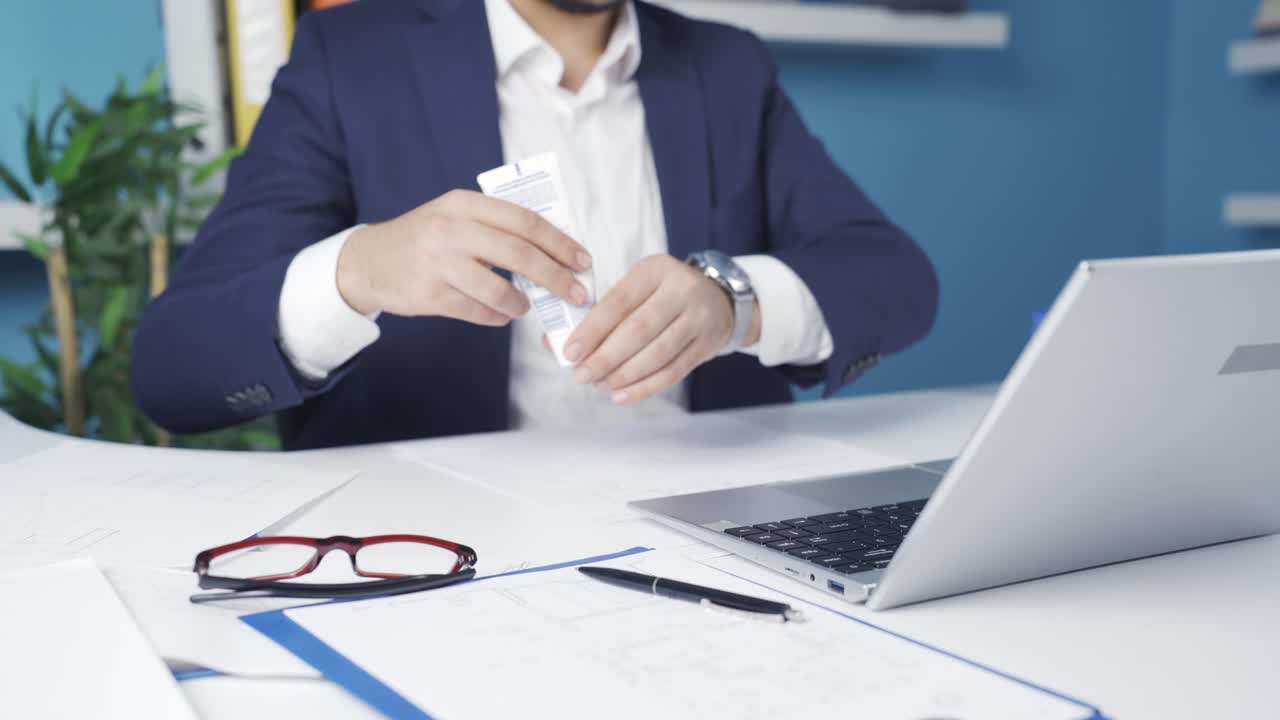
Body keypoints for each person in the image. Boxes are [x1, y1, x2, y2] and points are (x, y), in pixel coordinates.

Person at [131, 0, 939, 451]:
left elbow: (895, 278)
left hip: (711, 529)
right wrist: (360, 269)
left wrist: (734, 300)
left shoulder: (728, 64)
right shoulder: (349, 56)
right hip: (444, 554)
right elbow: (172, 370)